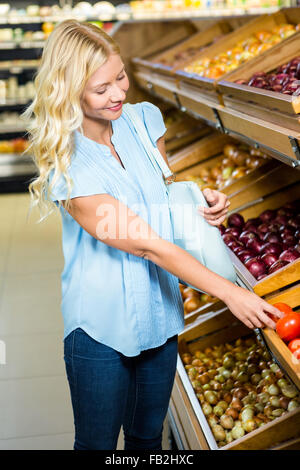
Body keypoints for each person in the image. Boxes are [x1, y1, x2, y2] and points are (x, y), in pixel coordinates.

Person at [22, 20, 283, 451]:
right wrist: (231, 293)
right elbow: (143, 240)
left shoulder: (143, 121)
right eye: (101, 88)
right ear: (68, 89)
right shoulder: (67, 163)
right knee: (97, 444)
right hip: (100, 327)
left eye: (120, 77)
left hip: (161, 315)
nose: (118, 93)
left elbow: (163, 194)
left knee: (147, 439)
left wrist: (201, 201)